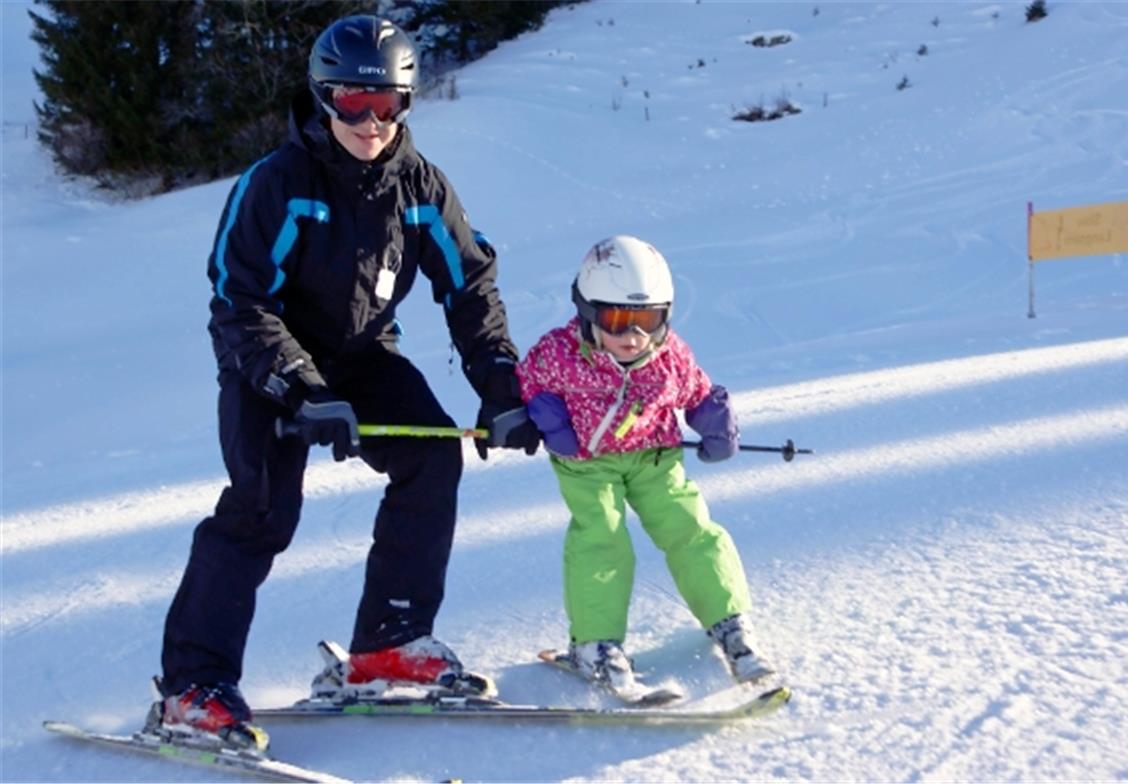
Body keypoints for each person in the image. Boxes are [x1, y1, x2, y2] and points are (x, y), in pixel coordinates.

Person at [155, 15, 539, 751]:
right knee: (261, 511)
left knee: (431, 457)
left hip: (361, 355)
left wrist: (500, 388)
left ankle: (388, 642)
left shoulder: (420, 185)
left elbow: (470, 286)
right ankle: (193, 686)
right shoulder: (276, 185)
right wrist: (300, 389)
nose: (370, 122)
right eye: (352, 102)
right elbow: (240, 304)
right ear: (323, 98)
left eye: (388, 104)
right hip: (266, 365)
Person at [515, 235, 775, 694]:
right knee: (603, 539)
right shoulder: (560, 353)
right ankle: (595, 646)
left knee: (691, 529)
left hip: (655, 458)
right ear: (589, 313)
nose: (633, 337)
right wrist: (548, 419)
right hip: (587, 465)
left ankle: (730, 621)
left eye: (647, 321)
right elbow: (530, 380)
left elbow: (698, 391)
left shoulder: (669, 355)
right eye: (617, 321)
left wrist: (715, 423)